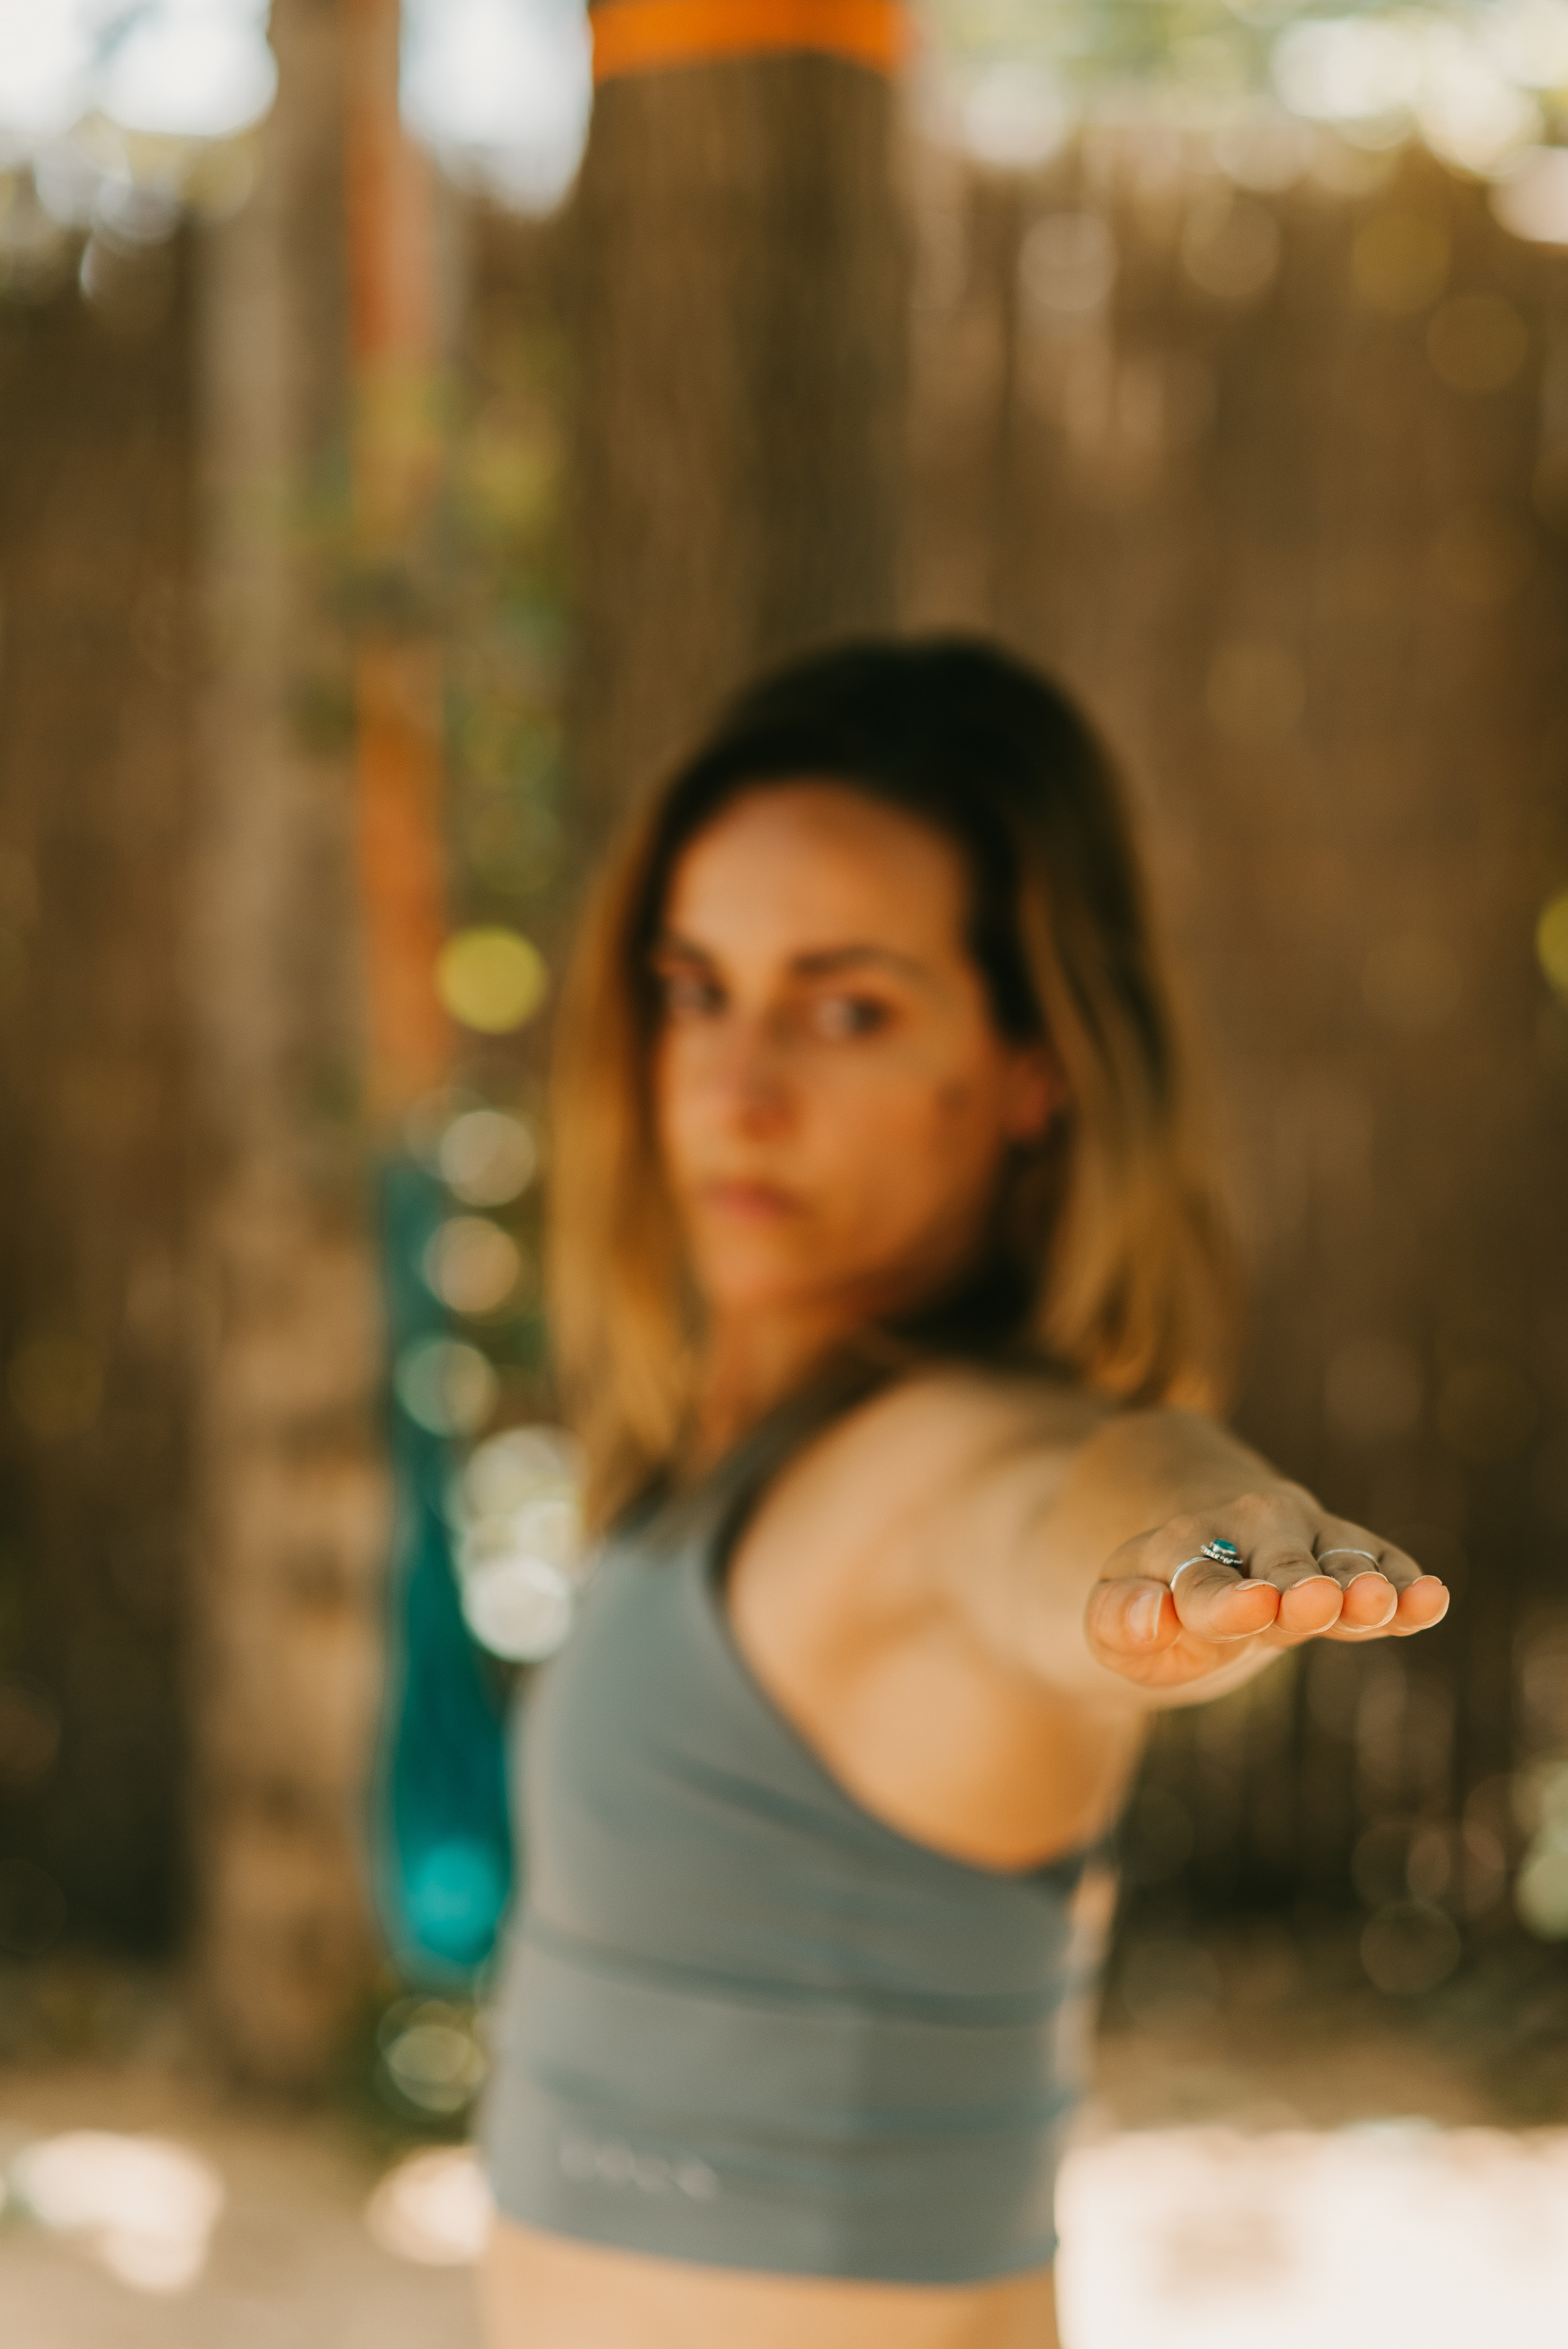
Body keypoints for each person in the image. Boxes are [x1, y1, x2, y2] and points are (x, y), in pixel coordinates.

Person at [477, 638, 1448, 2349]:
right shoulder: (735, 1466)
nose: (737, 1082)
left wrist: (1190, 1550)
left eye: (848, 1007)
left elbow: (1068, 1495)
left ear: (1033, 1068)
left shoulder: (946, 1461)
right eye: (699, 988)